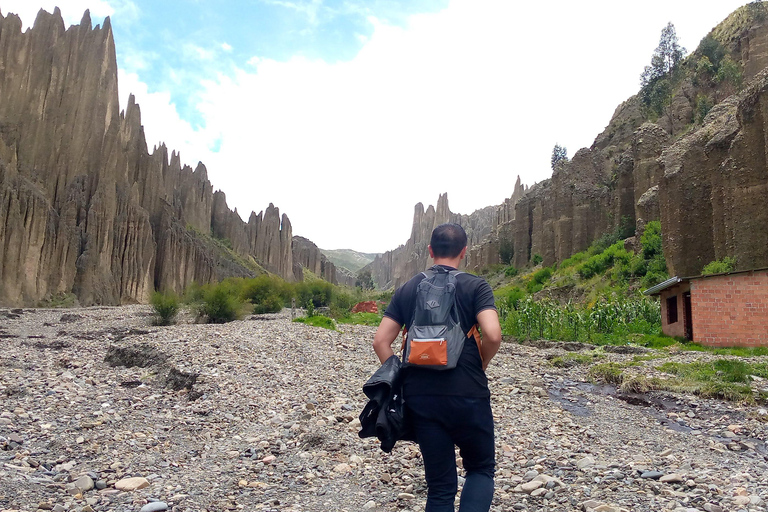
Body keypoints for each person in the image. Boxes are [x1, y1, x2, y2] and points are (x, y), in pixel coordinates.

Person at [372, 222, 502, 512]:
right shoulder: (476, 286)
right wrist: (481, 364)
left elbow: (381, 341)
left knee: (441, 487)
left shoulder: (407, 288)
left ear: (430, 251)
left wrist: (397, 377)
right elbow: (492, 334)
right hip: (469, 392)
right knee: (480, 469)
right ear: (464, 252)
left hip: (421, 397)